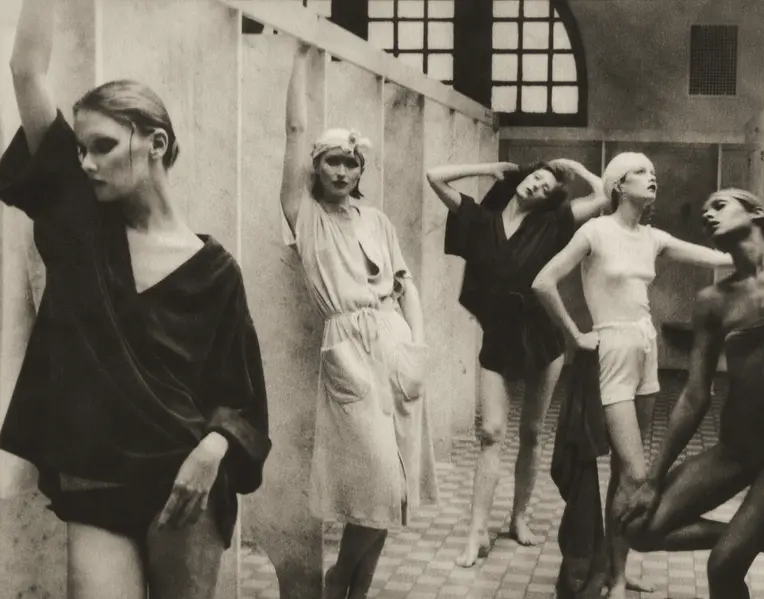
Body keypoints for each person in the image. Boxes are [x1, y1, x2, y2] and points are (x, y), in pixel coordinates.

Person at [0, 1, 271, 598]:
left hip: (184, 478)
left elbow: (242, 398)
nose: (86, 162)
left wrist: (213, 447)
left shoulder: (218, 271)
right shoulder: (78, 222)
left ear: (155, 142)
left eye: (101, 146)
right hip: (96, 475)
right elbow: (26, 68)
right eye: (80, 151)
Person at [614, 50, 764, 599]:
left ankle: (751, 538)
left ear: (757, 213)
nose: (708, 214)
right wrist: (650, 480)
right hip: (735, 446)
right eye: (705, 212)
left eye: (720, 205)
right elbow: (692, 397)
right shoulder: (713, 301)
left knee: (724, 568)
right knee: (640, 527)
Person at [532, 151, 732, 598]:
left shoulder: (653, 238)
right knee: (639, 476)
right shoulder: (595, 231)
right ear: (618, 185)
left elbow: (717, 258)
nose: (652, 177)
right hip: (612, 347)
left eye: (654, 172)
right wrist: (575, 335)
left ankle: (617, 576)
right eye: (641, 172)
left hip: (646, 346)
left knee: (626, 472)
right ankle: (606, 567)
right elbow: (544, 281)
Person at [279, 44, 438, 599]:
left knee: (393, 493)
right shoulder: (305, 218)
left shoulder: (377, 219)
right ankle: (338, 578)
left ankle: (354, 590)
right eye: (332, 161)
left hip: (393, 345)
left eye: (351, 162)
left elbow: (404, 284)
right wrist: (301, 59)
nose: (342, 170)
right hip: (347, 348)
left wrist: (417, 346)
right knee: (378, 480)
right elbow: (297, 129)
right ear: (315, 168)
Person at [426, 155, 609, 567]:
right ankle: (476, 533)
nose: (537, 188)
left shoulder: (553, 222)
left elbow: (601, 196)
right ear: (522, 179)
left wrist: (572, 170)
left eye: (546, 188)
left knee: (531, 431)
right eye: (535, 180)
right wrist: (486, 169)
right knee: (491, 432)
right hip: (500, 335)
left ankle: (519, 516)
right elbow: (435, 177)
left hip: (543, 334)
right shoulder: (481, 217)